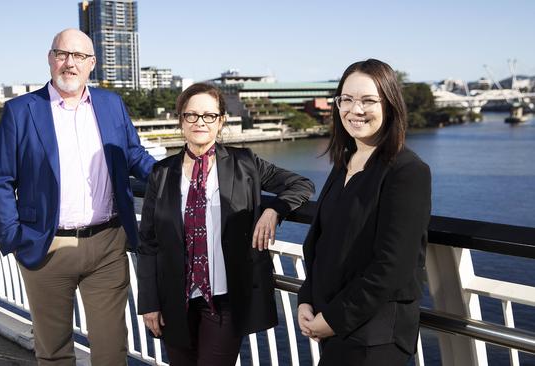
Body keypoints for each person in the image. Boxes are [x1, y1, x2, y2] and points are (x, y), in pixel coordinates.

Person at [0, 28, 155, 365]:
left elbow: (134, 155)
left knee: (111, 349)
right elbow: (0, 179)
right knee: (53, 351)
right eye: (62, 54)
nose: (70, 63)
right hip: (47, 245)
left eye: (79, 56)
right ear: (50, 59)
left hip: (108, 244)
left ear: (91, 63)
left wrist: (176, 178)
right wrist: (14, 237)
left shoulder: (111, 104)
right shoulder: (21, 111)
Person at [137, 83, 315, 365]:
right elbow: (147, 243)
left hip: (224, 299)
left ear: (221, 121)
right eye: (191, 115)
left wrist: (274, 211)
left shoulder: (244, 164)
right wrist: (149, 302)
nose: (200, 122)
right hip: (173, 299)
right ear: (181, 120)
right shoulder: (162, 173)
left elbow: (301, 185)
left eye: (209, 115)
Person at [297, 59, 431, 365]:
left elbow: (393, 266)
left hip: (375, 338)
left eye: (368, 100)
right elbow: (324, 242)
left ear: (391, 105)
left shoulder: (407, 171)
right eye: (347, 99)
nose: (355, 110)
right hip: (336, 329)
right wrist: (306, 298)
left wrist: (331, 319)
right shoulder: (346, 161)